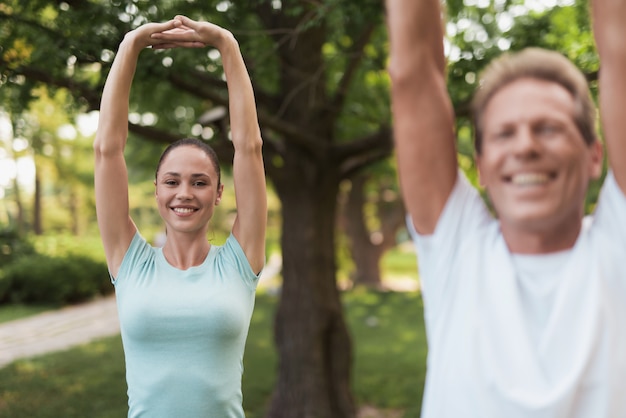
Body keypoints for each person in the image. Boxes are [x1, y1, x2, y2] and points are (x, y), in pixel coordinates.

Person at [386, 0, 626, 417]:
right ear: (480, 166)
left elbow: (621, 46)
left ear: (593, 156)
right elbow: (412, 72)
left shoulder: (617, 250)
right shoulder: (458, 247)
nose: (526, 147)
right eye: (504, 134)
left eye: (548, 128)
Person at [93, 15, 266, 418]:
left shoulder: (240, 263)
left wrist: (228, 45)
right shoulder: (129, 260)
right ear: (156, 191)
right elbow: (107, 150)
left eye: (199, 182)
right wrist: (129, 47)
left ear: (220, 193)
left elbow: (250, 148)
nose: (184, 193)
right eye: (171, 181)